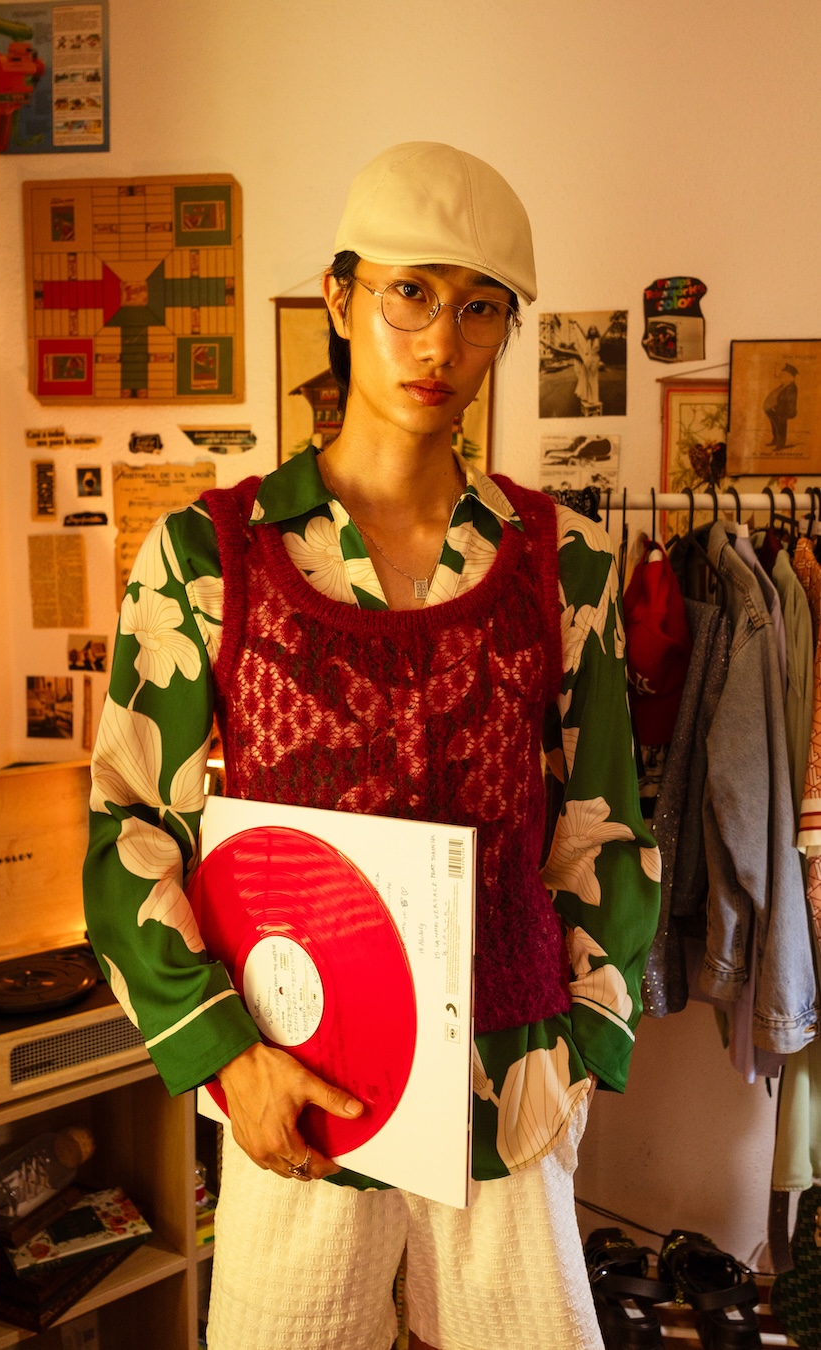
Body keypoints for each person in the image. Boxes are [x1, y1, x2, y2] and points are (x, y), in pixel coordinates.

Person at [84, 141, 660, 1350]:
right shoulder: (209, 559)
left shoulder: (564, 561)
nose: (440, 341)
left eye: (480, 308)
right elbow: (133, 824)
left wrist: (585, 1041)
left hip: (509, 1081)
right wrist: (230, 1059)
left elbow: (605, 824)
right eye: (409, 293)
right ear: (341, 298)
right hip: (297, 1077)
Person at [763, 362, 798, 449]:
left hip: (783, 411)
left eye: (785, 375)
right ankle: (775, 440)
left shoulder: (791, 387)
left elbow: (789, 401)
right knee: (775, 425)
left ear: (790, 376)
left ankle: (781, 444)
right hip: (776, 410)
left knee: (781, 427)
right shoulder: (784, 385)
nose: (782, 377)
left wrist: (777, 408)